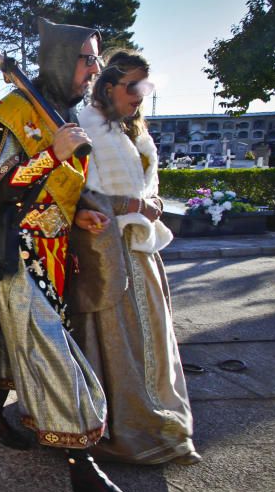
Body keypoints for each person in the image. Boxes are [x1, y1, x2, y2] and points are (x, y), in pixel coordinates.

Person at [0, 18, 141, 492]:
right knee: (51, 354)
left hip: (54, 249)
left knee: (12, 341)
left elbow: (57, 186)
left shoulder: (60, 113)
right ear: (63, 61)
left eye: (95, 60)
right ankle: (84, 471)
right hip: (15, 252)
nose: (94, 70)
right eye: (87, 59)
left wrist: (80, 207)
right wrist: (50, 155)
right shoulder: (8, 113)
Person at [71, 50, 199, 465]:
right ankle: (122, 423)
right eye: (133, 87)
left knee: (152, 339)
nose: (140, 95)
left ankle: (158, 414)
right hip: (109, 252)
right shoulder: (86, 126)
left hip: (143, 249)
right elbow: (76, 195)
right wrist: (129, 205)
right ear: (108, 87)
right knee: (116, 339)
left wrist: (152, 201)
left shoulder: (136, 132)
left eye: (146, 87)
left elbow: (149, 185)